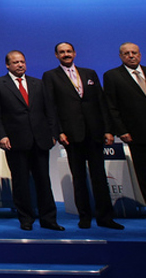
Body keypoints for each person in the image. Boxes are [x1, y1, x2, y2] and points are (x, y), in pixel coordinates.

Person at [42, 42, 123, 230]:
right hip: (71, 134)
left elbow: (101, 103)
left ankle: (105, 217)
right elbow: (51, 107)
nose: (66, 54)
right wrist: (58, 131)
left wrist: (108, 130)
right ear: (56, 56)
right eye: (62, 52)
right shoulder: (50, 76)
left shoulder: (89, 73)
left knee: (99, 177)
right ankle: (84, 216)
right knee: (78, 178)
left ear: (75, 53)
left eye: (69, 51)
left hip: (94, 133)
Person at [0, 50, 62, 231]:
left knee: (44, 180)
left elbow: (50, 110)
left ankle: (48, 219)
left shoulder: (38, 83)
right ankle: (26, 218)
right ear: (7, 65)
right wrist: (1, 136)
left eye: (22, 62)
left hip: (40, 140)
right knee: (20, 182)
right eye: (15, 62)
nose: (20, 65)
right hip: (15, 141)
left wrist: (53, 134)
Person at [102, 42, 146, 226]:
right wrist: (121, 130)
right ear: (120, 56)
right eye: (126, 53)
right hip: (136, 135)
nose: (131, 56)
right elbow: (111, 106)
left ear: (140, 55)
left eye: (134, 52)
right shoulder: (112, 76)